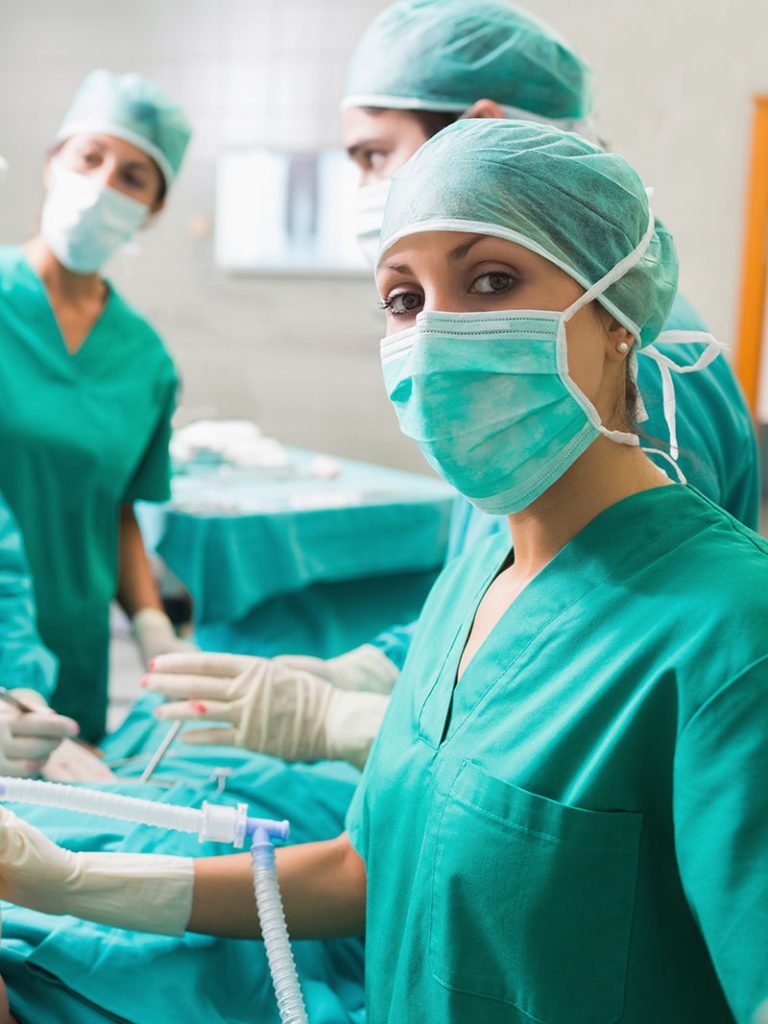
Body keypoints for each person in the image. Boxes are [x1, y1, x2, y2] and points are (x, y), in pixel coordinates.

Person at [2, 120, 767, 1024]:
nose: (437, 335)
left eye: (491, 281)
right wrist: (71, 881)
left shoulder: (728, 634)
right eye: (404, 299)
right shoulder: (481, 575)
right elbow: (363, 870)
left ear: (617, 318)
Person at [144, 0, 760, 772]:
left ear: (477, 124)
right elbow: (500, 599)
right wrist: (368, 673)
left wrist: (364, 724)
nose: (363, 185)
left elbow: (614, 693)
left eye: (372, 155)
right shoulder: (529, 409)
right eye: (403, 301)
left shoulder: (646, 376)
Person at [0, 70, 196, 743]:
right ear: (54, 162)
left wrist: (152, 626)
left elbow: (115, 510)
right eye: (91, 156)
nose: (105, 184)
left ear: (153, 210)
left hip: (72, 651)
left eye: (135, 176)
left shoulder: (145, 360)